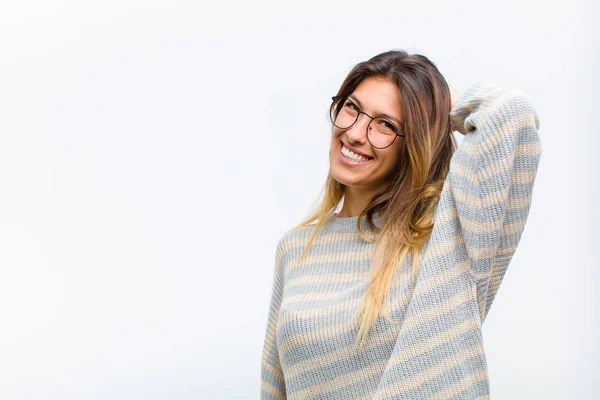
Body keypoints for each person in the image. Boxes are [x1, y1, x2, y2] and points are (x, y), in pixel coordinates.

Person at [260, 49, 542, 399]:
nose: (356, 134)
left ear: (414, 143)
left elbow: (512, 113)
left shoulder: (446, 240)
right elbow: (275, 388)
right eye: (352, 107)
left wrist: (432, 100)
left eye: (386, 125)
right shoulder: (295, 248)